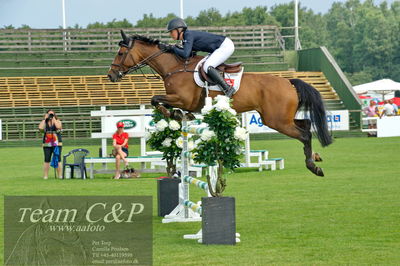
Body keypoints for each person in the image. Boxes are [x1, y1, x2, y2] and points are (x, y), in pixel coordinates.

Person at [166, 17, 235, 97]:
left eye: (171, 31)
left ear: (179, 30)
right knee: (203, 64)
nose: (170, 34)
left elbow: (185, 54)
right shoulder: (186, 38)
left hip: (225, 46)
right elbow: (190, 54)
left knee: (207, 66)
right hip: (218, 48)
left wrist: (173, 48)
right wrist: (173, 49)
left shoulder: (188, 35)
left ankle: (227, 88)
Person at [38, 109, 62, 179]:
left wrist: (53, 119)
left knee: (58, 158)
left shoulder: (58, 121)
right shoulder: (44, 122)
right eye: (49, 114)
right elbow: (40, 129)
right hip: (47, 143)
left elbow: (58, 127)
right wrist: (45, 119)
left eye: (52, 114)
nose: (51, 116)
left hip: (57, 143)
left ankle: (60, 175)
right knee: (47, 159)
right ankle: (45, 176)